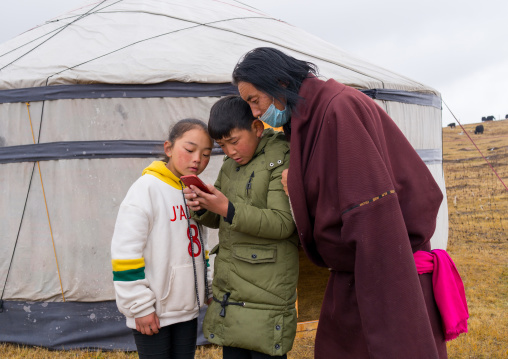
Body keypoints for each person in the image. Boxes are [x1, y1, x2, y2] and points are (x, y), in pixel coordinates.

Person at [232, 47, 468, 359]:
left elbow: (372, 213)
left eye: (255, 100)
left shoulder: (338, 109)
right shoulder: (315, 113)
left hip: (382, 269)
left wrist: (295, 188)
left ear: (280, 83)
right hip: (359, 270)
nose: (254, 112)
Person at [183, 95, 299, 359]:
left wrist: (227, 208)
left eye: (234, 142)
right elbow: (219, 215)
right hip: (232, 288)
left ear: (257, 128)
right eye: (222, 146)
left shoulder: (279, 157)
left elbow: (283, 223)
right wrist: (202, 205)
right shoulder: (231, 165)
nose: (230, 151)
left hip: (266, 286)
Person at [111, 119, 214, 359]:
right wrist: (139, 307)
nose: (197, 159)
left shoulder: (195, 192)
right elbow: (125, 253)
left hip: (187, 310)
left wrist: (207, 287)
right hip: (153, 312)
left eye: (206, 154)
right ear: (168, 148)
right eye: (189, 150)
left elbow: (202, 248)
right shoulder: (146, 190)